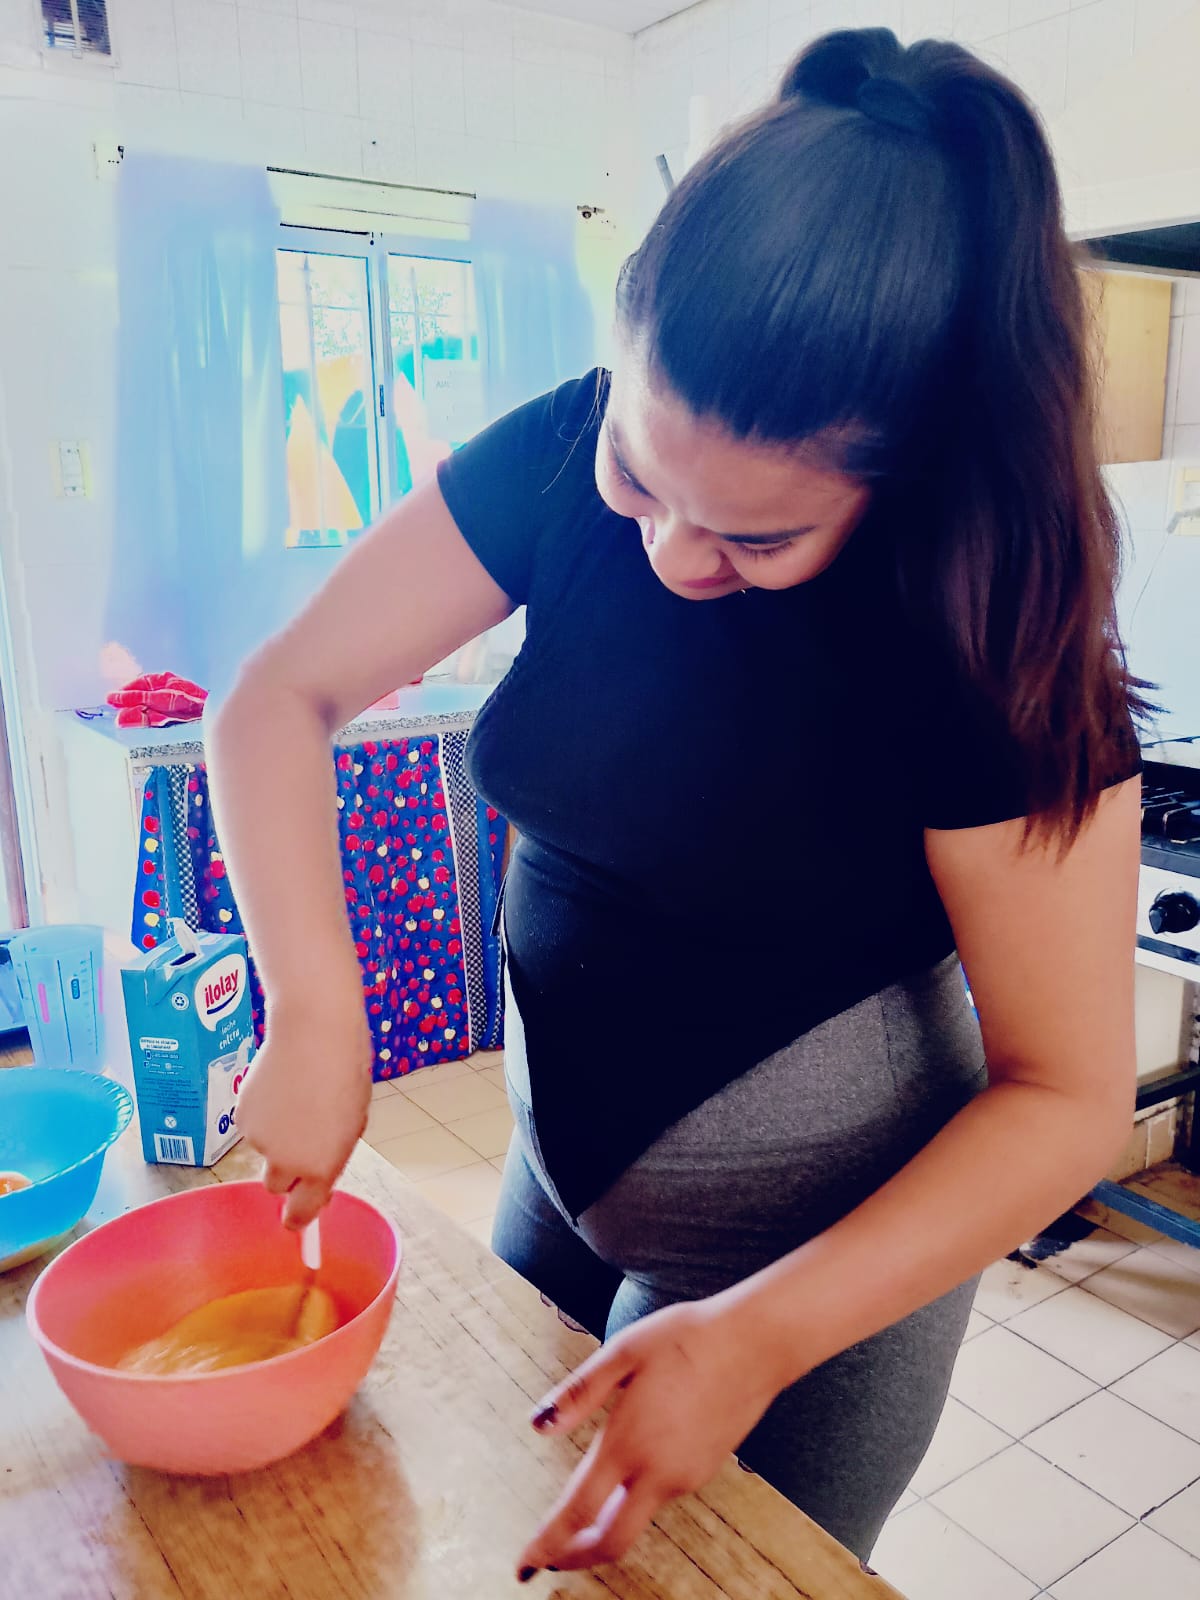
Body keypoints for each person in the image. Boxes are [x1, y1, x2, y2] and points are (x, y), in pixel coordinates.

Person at [209, 27, 1143, 1582]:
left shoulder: (986, 629)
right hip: (559, 1174)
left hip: (813, 1280)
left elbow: (1067, 1097)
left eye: (757, 541)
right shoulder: (559, 450)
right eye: (640, 477)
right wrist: (315, 1005)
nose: (671, 555)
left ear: (904, 477)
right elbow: (274, 698)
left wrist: (761, 1336)